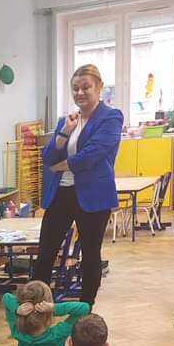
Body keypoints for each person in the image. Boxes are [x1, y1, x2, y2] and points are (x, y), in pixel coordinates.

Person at [33, 64, 124, 307]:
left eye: (86, 87)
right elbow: (48, 157)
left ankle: (85, 308)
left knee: (91, 255)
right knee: (45, 253)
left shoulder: (111, 117)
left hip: (93, 195)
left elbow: (92, 155)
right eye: (75, 88)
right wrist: (64, 132)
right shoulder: (66, 120)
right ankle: (36, 306)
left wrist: (62, 165)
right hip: (61, 194)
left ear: (99, 88)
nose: (80, 92)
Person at [3, 280, 90, 346]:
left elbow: (6, 297)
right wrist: (54, 308)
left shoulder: (18, 331)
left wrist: (17, 309)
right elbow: (84, 308)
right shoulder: (58, 333)